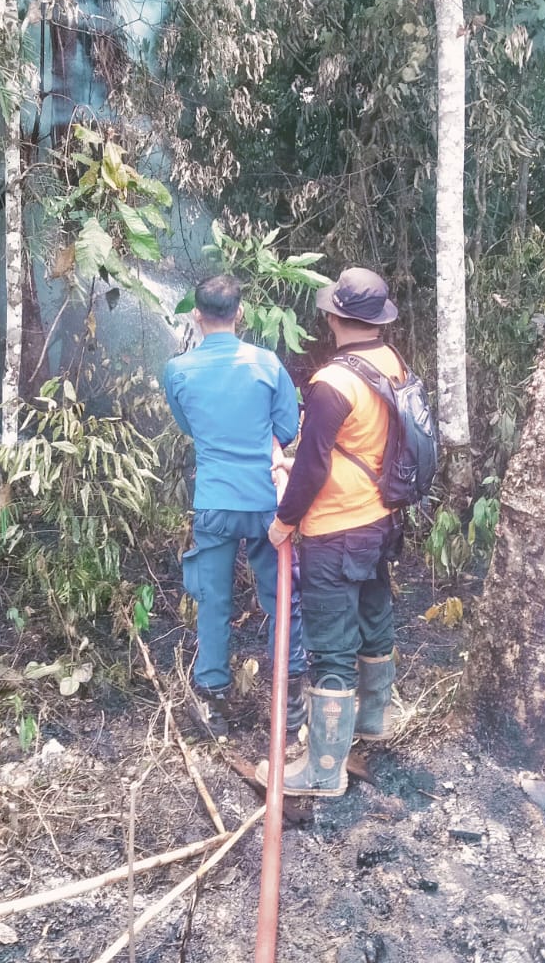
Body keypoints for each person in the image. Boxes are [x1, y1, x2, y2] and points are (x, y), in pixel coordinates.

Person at [259, 267, 404, 797]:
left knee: (331, 647)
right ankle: (372, 721)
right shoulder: (392, 364)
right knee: (373, 616)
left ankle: (322, 768)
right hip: (379, 521)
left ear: (335, 317)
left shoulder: (332, 383)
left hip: (336, 527)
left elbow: (313, 468)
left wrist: (283, 523)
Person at [164, 274, 307, 741]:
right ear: (240, 313)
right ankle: (287, 700)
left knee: (213, 599)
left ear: (196, 315)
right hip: (267, 503)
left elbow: (189, 427)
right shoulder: (267, 364)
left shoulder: (178, 371)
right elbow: (287, 427)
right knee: (281, 597)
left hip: (214, 502)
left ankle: (212, 700)